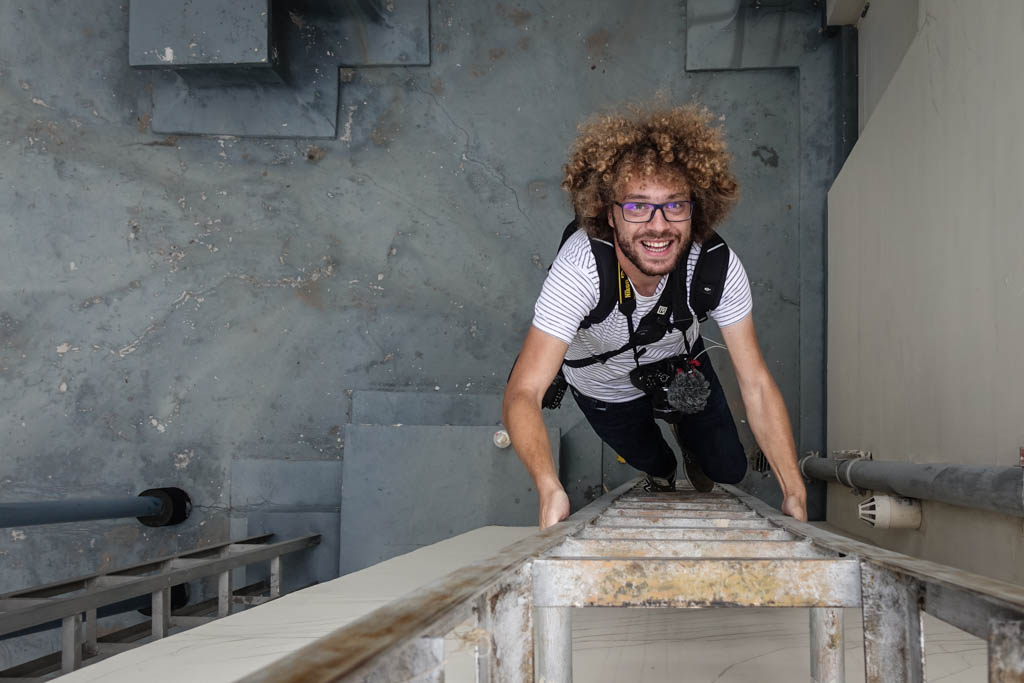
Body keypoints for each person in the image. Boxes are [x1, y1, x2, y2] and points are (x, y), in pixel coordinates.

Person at [502, 105, 807, 529]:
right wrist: (549, 487)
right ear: (609, 213)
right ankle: (662, 471)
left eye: (674, 205)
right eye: (637, 206)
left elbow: (755, 382)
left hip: (682, 366)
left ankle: (687, 435)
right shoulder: (579, 270)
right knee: (654, 460)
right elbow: (523, 391)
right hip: (603, 388)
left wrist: (793, 490)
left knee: (729, 469)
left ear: (696, 208)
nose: (658, 226)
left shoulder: (715, 266)